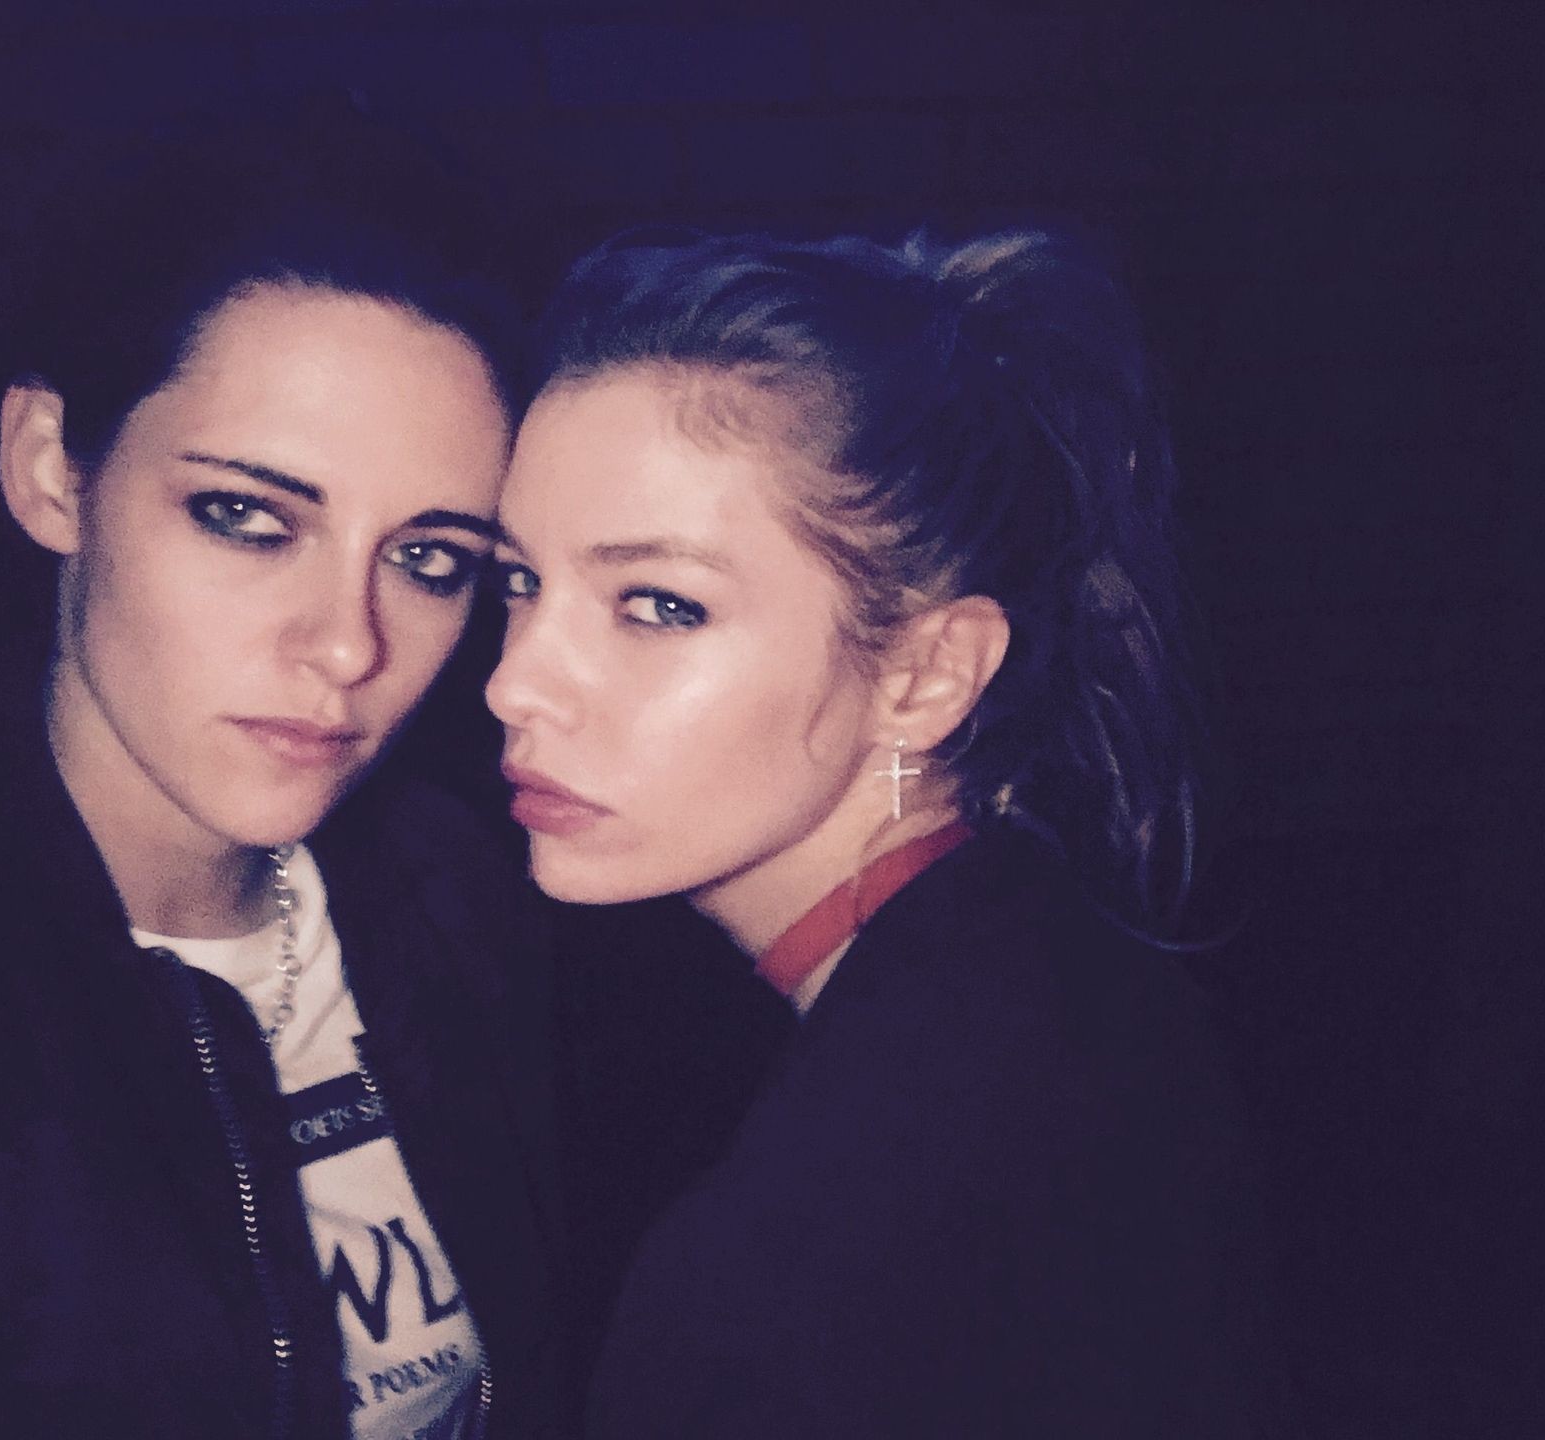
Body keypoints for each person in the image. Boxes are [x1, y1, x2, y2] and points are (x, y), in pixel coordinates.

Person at [0, 122, 563, 1439]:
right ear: (51, 469)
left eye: (429, 559)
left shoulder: (462, 902)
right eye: (247, 518)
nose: (348, 646)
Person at [486, 228, 1284, 1436]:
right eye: (518, 581)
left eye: (658, 605)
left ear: (925, 674)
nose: (515, 684)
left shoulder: (790, 1266)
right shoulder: (1062, 964)